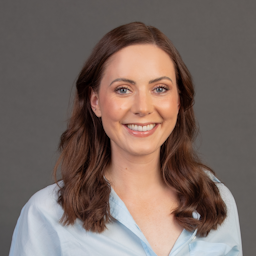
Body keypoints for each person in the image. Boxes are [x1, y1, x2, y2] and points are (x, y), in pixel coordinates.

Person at [9, 22, 242, 256]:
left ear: (179, 101)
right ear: (95, 101)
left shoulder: (216, 202)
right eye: (123, 89)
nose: (143, 108)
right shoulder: (45, 216)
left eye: (160, 88)